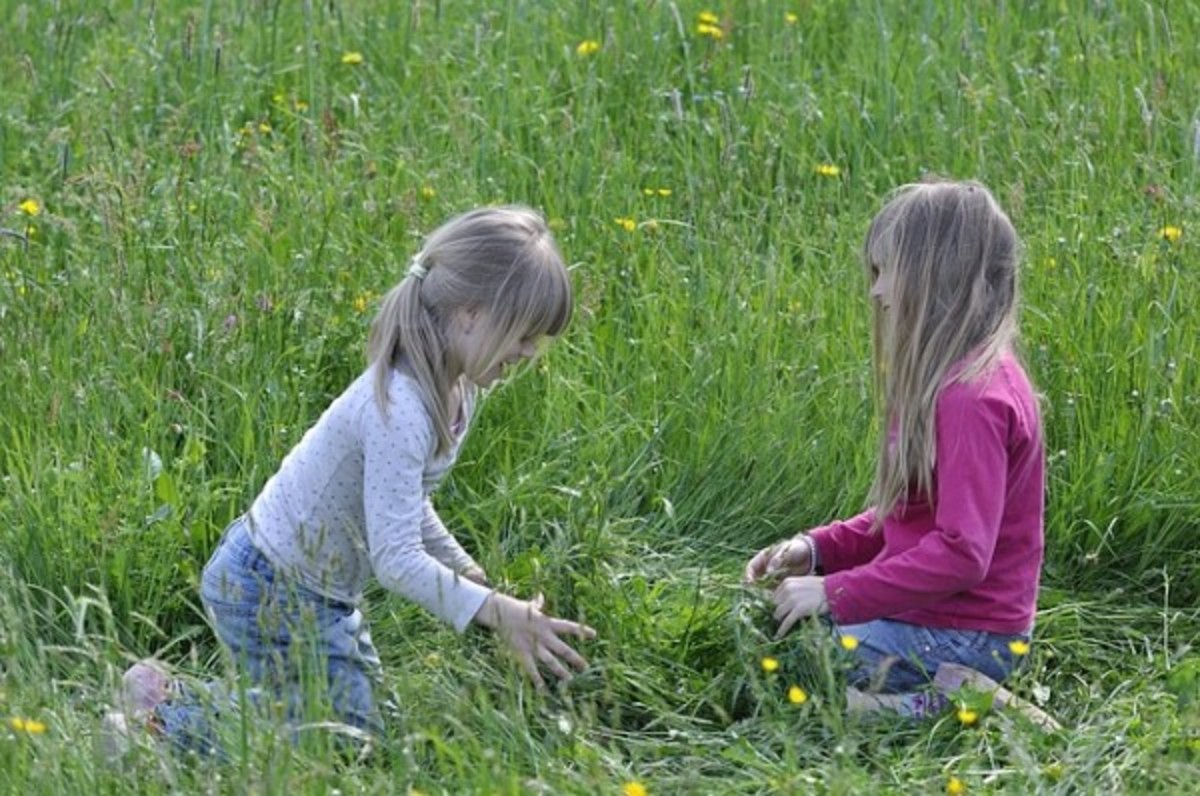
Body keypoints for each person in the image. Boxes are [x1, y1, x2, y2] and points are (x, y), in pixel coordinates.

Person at [105, 205, 596, 755]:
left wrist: (472, 577)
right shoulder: (402, 408)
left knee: (367, 725)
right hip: (268, 586)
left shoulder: (460, 389)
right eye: (525, 334)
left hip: (316, 592)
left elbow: (405, 503)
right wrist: (491, 610)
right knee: (332, 745)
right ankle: (157, 722)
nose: (529, 352)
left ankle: (167, 694)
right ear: (471, 313)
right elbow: (395, 559)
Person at [744, 180, 1044, 716]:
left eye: (886, 272)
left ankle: (954, 703)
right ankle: (935, 696)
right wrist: (815, 550)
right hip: (944, 622)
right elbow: (911, 519)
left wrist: (833, 593)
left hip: (970, 636)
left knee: (799, 660)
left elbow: (960, 553)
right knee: (786, 636)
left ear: (936, 278)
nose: (876, 293)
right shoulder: (955, 381)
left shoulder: (970, 399)